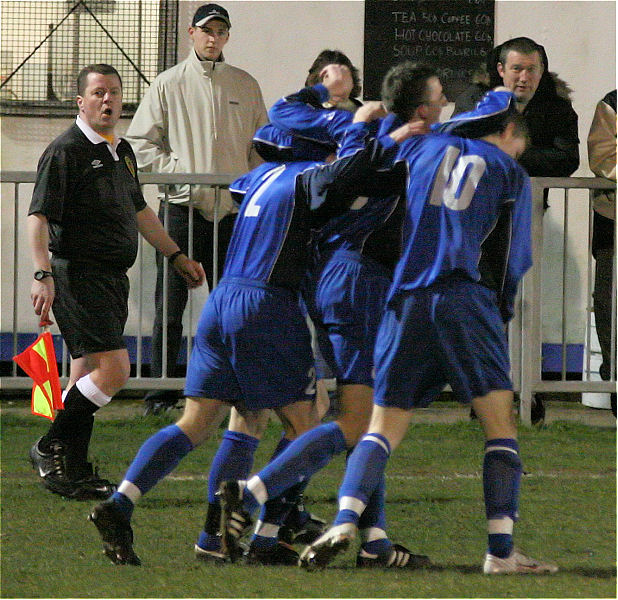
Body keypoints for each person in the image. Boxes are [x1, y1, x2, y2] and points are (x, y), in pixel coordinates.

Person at [87, 63, 398, 566]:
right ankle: (266, 530)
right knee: (307, 423)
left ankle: (128, 506)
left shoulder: (253, 179)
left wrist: (319, 97)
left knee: (216, 419)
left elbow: (279, 139)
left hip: (222, 301)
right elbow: (351, 170)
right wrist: (360, 125)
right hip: (266, 305)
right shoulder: (309, 178)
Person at [285, 87, 560, 575]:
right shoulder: (509, 173)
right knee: (499, 425)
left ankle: (346, 520)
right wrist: (499, 314)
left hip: (405, 297)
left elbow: (370, 169)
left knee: (382, 426)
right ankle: (501, 554)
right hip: (464, 297)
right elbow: (510, 260)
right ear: (510, 132)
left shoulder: (421, 147)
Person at [217, 62, 444, 569]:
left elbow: (287, 116)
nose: (446, 105)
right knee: (358, 418)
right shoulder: (392, 144)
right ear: (421, 107)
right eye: (439, 97)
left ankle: (358, 539)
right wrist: (363, 118)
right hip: (357, 280)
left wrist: (355, 114)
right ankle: (257, 496)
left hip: (345, 278)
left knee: (363, 417)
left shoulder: (368, 135)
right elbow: (291, 119)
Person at [27, 64, 205, 502]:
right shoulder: (64, 150)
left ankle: (72, 467)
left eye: (115, 93)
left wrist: (176, 254)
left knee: (86, 371)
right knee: (116, 369)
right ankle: (50, 445)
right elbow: (39, 216)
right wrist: (42, 273)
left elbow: (140, 211)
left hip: (109, 278)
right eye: (99, 93)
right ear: (80, 102)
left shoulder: (121, 150)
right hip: (78, 275)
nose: (108, 101)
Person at [125, 3, 268, 415]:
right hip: (182, 209)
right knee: (169, 305)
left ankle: (231, 386)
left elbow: (259, 147)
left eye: (220, 31)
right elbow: (140, 144)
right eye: (207, 30)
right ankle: (161, 392)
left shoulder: (245, 84)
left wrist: (250, 187)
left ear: (227, 37)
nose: (213, 38)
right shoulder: (168, 84)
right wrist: (182, 172)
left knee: (234, 306)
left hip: (233, 214)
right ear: (191, 33)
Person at [455, 36, 580, 423]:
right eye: (517, 69)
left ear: (543, 72)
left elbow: (567, 159)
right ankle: (484, 392)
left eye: (532, 70)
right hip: (474, 216)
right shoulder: (474, 100)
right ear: (500, 70)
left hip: (526, 215)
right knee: (480, 301)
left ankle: (526, 390)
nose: (524, 77)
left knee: (525, 303)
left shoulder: (557, 108)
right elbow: (460, 142)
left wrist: (506, 154)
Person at [587, 89, 617, 417]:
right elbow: (604, 158)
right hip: (613, 224)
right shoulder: (613, 103)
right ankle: (614, 382)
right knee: (609, 306)